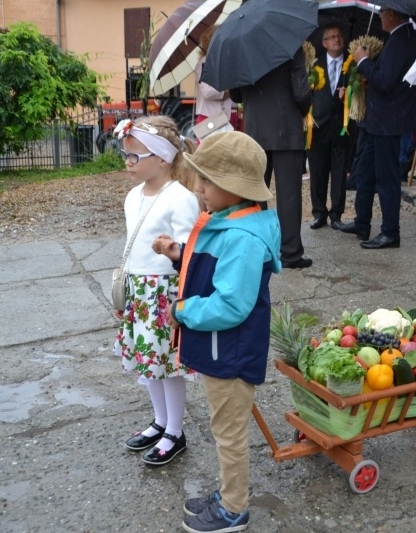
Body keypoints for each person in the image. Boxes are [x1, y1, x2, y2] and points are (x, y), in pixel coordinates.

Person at [153, 131, 281, 533]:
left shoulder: (242, 237)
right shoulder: (230, 221)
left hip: (231, 351)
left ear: (233, 188)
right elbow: (210, 269)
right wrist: (178, 255)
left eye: (206, 181)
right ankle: (229, 492)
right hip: (220, 347)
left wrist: (182, 310)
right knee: (223, 427)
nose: (198, 187)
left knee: (228, 433)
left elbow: (230, 304)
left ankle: (233, 510)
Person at [112, 116, 201, 466]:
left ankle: (175, 432)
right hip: (139, 291)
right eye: (125, 154)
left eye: (135, 156)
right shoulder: (133, 197)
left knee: (166, 366)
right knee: (148, 364)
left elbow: (187, 252)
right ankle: (160, 422)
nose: (127, 162)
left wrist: (181, 297)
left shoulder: (180, 198)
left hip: (164, 294)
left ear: (162, 158)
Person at [333, 8, 416, 249]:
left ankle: (390, 232)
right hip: (379, 120)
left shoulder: (402, 40)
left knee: (386, 177)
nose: (381, 15)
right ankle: (362, 222)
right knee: (364, 171)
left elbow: (384, 81)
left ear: (393, 14)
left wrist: (363, 60)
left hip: (389, 121)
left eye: (383, 12)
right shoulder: (399, 38)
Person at [230, 47, 312, 269]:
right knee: (289, 196)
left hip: (256, 130)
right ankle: (291, 254)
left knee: (255, 194)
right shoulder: (291, 48)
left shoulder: (243, 52)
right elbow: (302, 94)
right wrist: (301, 110)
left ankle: (260, 248)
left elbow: (236, 95)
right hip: (287, 129)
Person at [308, 24, 349, 230]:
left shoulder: (351, 64)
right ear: (324, 43)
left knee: (339, 171)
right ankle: (319, 213)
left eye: (339, 36)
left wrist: (348, 94)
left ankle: (336, 214)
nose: (336, 40)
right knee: (317, 170)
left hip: (342, 126)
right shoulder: (315, 65)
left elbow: (359, 93)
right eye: (332, 37)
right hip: (318, 126)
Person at [194, 25, 234, 145]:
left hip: (229, 117)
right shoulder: (203, 63)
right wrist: (231, 90)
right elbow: (208, 92)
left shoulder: (228, 61)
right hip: (209, 118)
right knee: (207, 158)